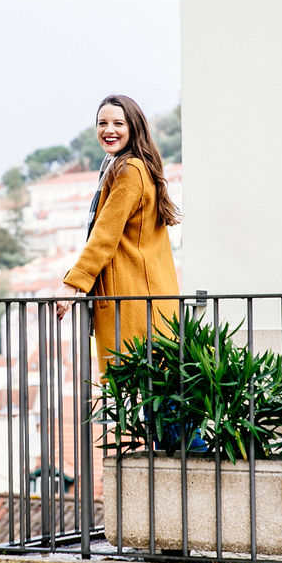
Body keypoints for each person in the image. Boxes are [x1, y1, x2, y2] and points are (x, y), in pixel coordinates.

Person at [56, 94, 180, 371]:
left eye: (118, 123)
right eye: (102, 123)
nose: (108, 130)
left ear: (133, 127)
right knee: (151, 394)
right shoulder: (136, 167)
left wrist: (71, 285)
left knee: (132, 394)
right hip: (148, 299)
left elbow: (104, 235)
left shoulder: (129, 171)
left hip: (133, 302)